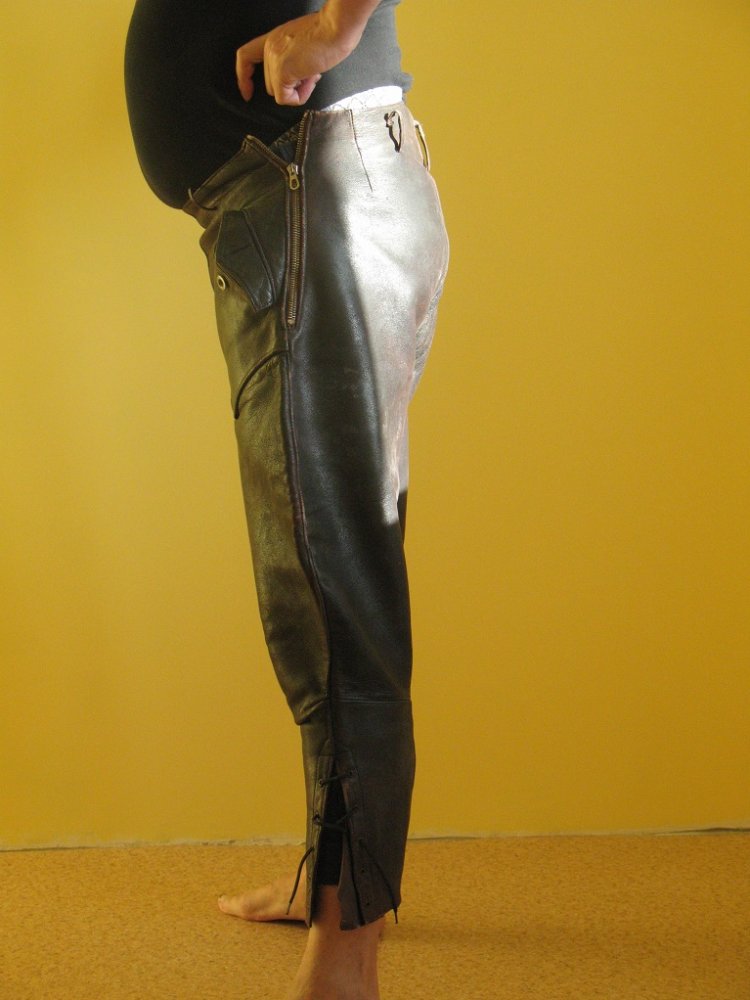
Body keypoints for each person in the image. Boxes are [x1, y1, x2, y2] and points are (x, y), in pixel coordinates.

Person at [125, 2, 449, 997]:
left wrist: (337, 27)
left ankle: (348, 947)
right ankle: (339, 879)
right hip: (313, 186)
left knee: (325, 581)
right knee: (324, 559)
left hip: (315, 185)